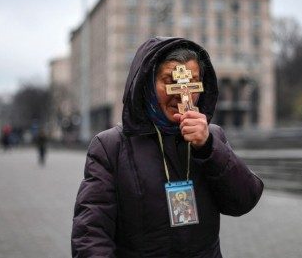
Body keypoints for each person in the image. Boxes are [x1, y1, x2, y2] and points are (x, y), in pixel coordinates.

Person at [71, 37, 264, 257]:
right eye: (169, 81)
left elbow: (244, 201)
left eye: (192, 82)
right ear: (147, 84)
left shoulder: (213, 136)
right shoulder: (111, 147)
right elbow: (90, 234)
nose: (182, 94)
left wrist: (209, 148)